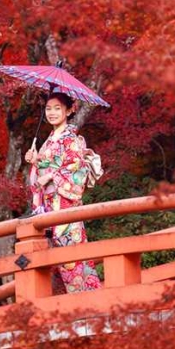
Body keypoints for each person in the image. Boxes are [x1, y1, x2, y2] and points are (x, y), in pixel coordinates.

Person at [24, 93, 102, 294]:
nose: (51, 113)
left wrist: (49, 175)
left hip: (65, 205)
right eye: (48, 108)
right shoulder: (51, 139)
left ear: (69, 110)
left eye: (57, 108)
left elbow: (76, 172)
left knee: (72, 259)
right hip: (48, 206)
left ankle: (89, 306)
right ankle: (66, 311)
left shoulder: (71, 139)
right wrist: (35, 161)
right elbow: (45, 169)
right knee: (53, 262)